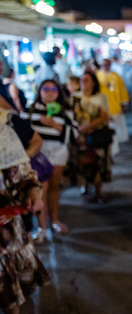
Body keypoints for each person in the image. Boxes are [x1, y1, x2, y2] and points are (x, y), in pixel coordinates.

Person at [0, 106, 50, 313]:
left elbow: (21, 173)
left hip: (4, 229)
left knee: (10, 292)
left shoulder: (2, 131)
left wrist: (32, 192)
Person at [26, 79, 78, 239]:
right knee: (41, 189)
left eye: (53, 88)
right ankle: (42, 227)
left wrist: (54, 124)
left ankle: (54, 220)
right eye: (45, 88)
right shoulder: (30, 110)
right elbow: (22, 132)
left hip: (58, 153)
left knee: (55, 187)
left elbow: (74, 134)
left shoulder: (65, 112)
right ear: (39, 91)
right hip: (38, 156)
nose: (49, 91)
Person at [71, 71, 111, 203]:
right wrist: (79, 128)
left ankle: (99, 190)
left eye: (87, 80)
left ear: (94, 82)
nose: (83, 82)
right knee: (83, 161)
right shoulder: (75, 97)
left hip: (97, 134)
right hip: (80, 136)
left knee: (98, 162)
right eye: (82, 80)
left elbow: (104, 116)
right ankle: (85, 184)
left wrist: (89, 125)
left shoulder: (101, 97)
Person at [97, 58, 129, 155]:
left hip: (113, 106)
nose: (105, 66)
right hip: (101, 107)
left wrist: (123, 103)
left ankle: (113, 151)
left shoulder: (116, 76)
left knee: (112, 130)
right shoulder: (98, 75)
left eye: (107, 64)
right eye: (103, 64)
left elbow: (122, 90)